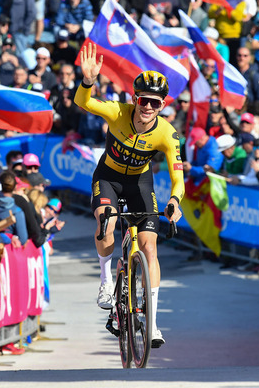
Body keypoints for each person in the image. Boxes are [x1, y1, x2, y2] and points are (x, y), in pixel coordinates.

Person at [74, 43, 184, 348]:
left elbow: (178, 177)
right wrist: (88, 80)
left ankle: (154, 324)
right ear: (134, 99)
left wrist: (175, 202)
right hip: (108, 178)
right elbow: (82, 102)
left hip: (139, 184)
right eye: (143, 100)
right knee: (107, 222)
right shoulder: (117, 112)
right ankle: (106, 282)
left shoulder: (167, 134)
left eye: (155, 103)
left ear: (163, 105)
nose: (148, 107)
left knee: (150, 248)